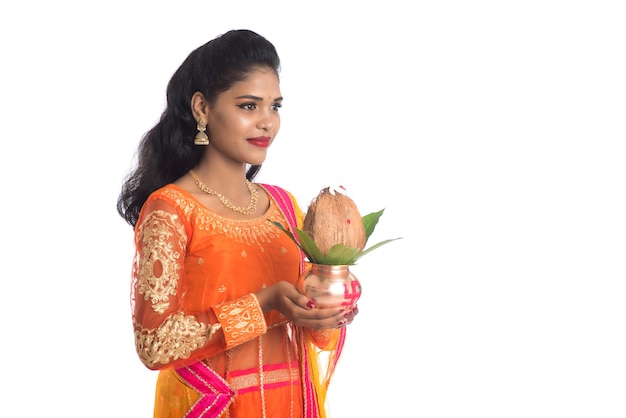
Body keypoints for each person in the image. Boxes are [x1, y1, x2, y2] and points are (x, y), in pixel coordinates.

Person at [117, 29, 357, 418]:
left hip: (293, 402)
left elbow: (316, 337)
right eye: (249, 106)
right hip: (215, 406)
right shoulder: (171, 210)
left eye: (275, 107)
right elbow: (154, 344)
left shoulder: (283, 204)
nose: (267, 123)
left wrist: (328, 308)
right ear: (201, 108)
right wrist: (265, 303)